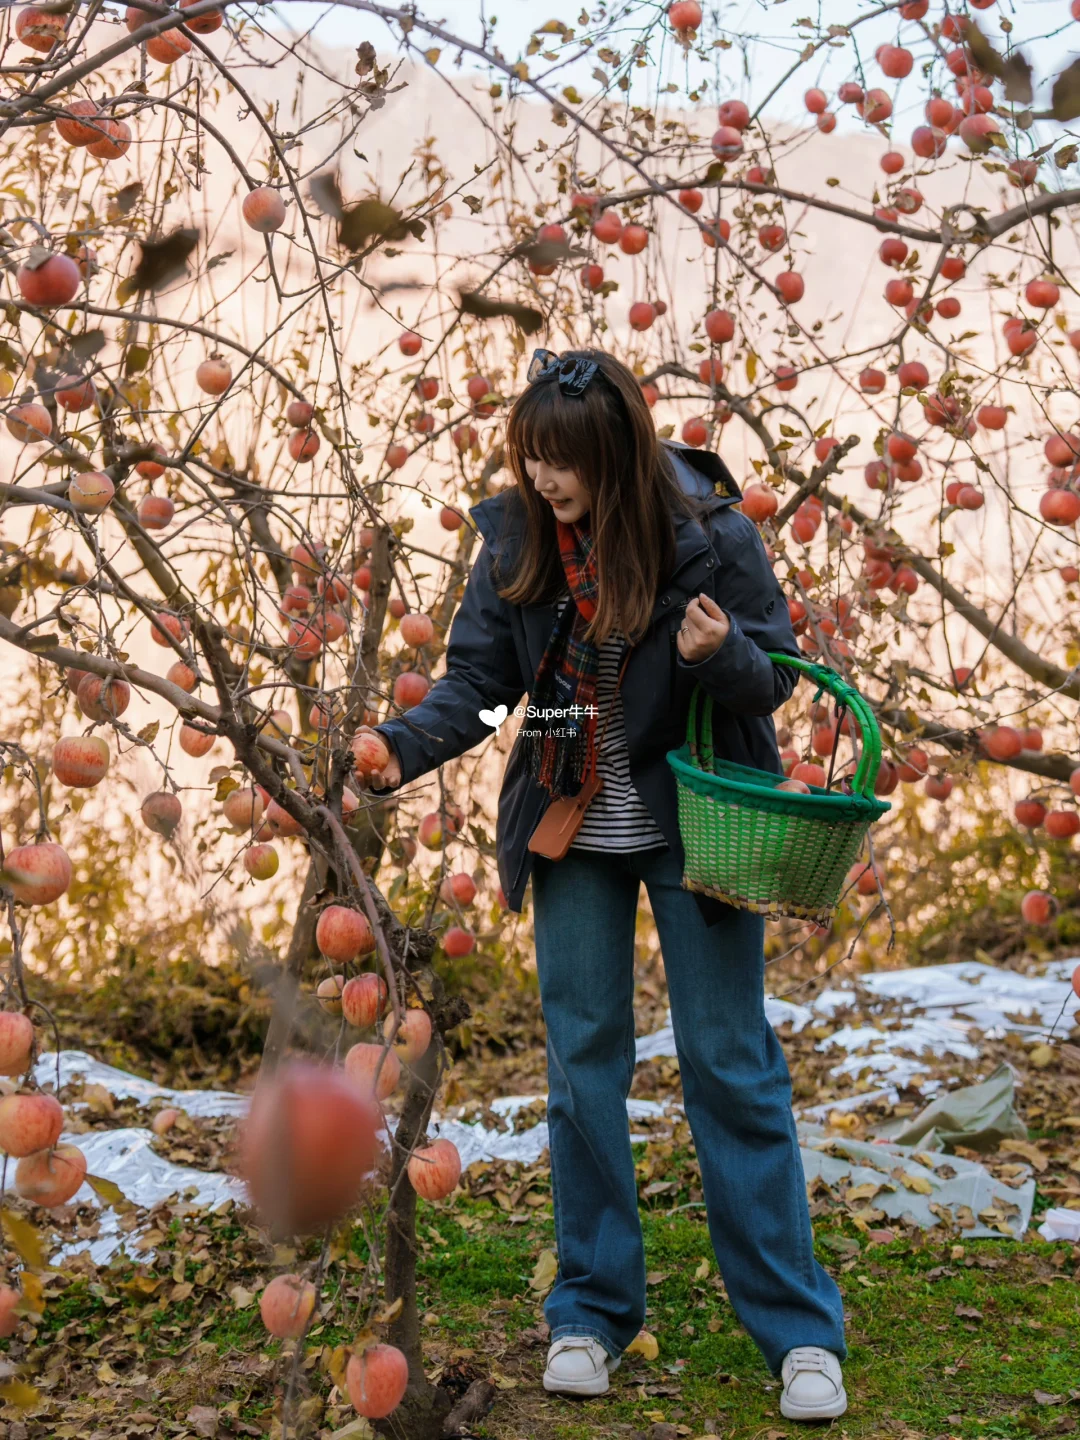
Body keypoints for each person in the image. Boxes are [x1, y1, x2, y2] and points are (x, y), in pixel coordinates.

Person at [356, 348, 848, 1422]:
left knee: (729, 1062)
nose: (543, 479)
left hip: (697, 821)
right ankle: (590, 1312)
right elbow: (486, 687)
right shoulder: (518, 541)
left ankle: (799, 1331)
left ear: (616, 454)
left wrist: (721, 656)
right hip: (573, 822)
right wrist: (404, 744)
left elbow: (776, 677)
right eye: (529, 457)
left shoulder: (711, 535)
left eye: (562, 460)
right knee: (583, 1069)